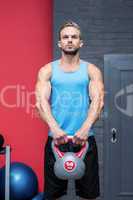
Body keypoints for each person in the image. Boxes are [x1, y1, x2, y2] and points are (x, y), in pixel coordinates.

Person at [35, 21, 104, 200]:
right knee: (53, 196)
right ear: (60, 43)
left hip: (85, 140)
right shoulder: (48, 70)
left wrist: (85, 128)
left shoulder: (91, 70)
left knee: (89, 195)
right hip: (56, 140)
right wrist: (55, 129)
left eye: (74, 37)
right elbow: (41, 101)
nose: (70, 40)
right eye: (65, 37)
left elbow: (98, 101)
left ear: (81, 42)